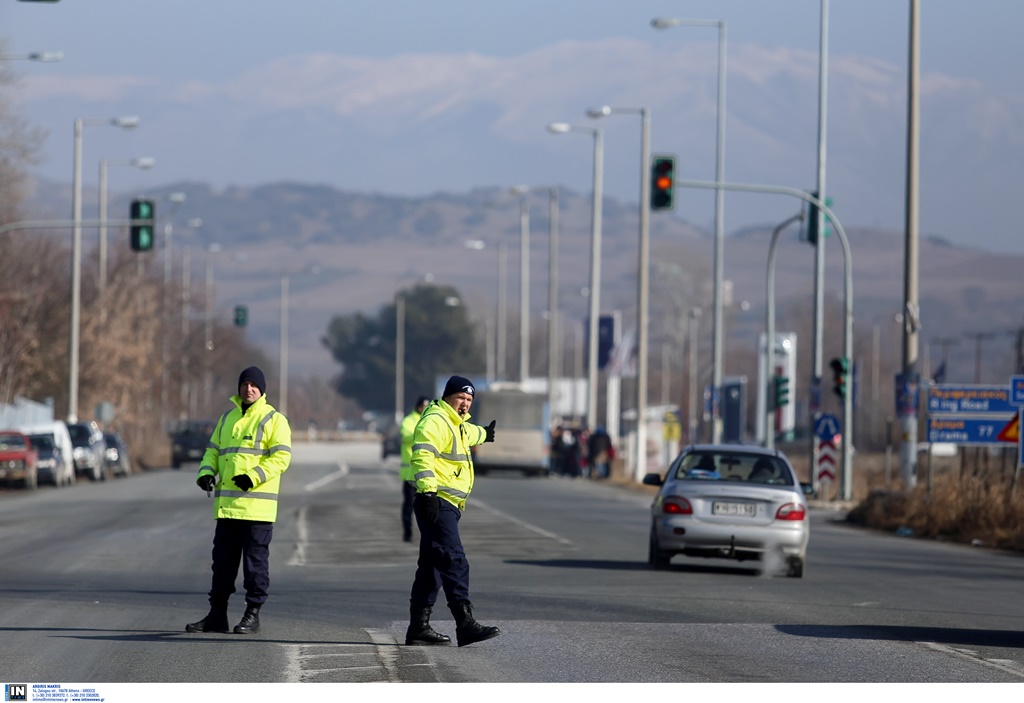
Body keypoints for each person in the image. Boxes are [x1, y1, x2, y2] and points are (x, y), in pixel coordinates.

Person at [185, 366, 292, 636]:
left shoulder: (274, 419)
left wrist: (254, 476)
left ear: (262, 389)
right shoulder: (228, 418)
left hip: (257, 510)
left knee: (255, 567)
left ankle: (252, 615)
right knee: (221, 566)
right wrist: (206, 474)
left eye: (254, 384)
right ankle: (216, 616)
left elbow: (281, 457)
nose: (249, 389)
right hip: (228, 509)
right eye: (245, 384)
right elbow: (212, 452)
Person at [404, 375, 500, 648]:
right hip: (436, 501)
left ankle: (418, 628)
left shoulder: (457, 424)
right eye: (461, 398)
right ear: (447, 397)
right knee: (453, 558)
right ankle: (464, 623)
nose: (465, 404)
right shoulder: (436, 420)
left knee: (431, 567)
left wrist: (485, 433)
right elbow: (422, 455)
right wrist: (429, 493)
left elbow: (470, 433)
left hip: (448, 504)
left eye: (469, 400)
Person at [399, 395, 432, 542]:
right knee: (409, 504)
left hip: (427, 472)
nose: (425, 409)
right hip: (410, 473)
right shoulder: (409, 421)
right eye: (423, 406)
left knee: (428, 505)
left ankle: (427, 533)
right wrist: (421, 432)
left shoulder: (431, 420)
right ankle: (407, 531)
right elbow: (406, 437)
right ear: (418, 406)